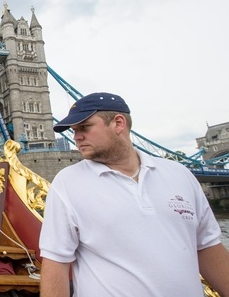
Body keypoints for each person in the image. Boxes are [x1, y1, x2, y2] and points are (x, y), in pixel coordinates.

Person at [39, 92, 229, 296]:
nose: (76, 136)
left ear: (118, 123)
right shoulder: (67, 183)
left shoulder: (180, 175)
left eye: (84, 127)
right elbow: (56, 264)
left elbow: (208, 247)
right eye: (74, 130)